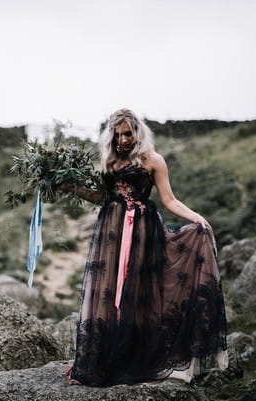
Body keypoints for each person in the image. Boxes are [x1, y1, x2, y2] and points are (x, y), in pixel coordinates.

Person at [60, 108, 228, 386]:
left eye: (128, 133)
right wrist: (66, 185)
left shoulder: (153, 160)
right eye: (117, 134)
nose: (123, 139)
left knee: (136, 292)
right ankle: (103, 360)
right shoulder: (109, 160)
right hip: (111, 233)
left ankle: (134, 357)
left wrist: (196, 218)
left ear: (138, 132)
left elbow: (169, 199)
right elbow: (101, 196)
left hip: (141, 231)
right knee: (109, 291)